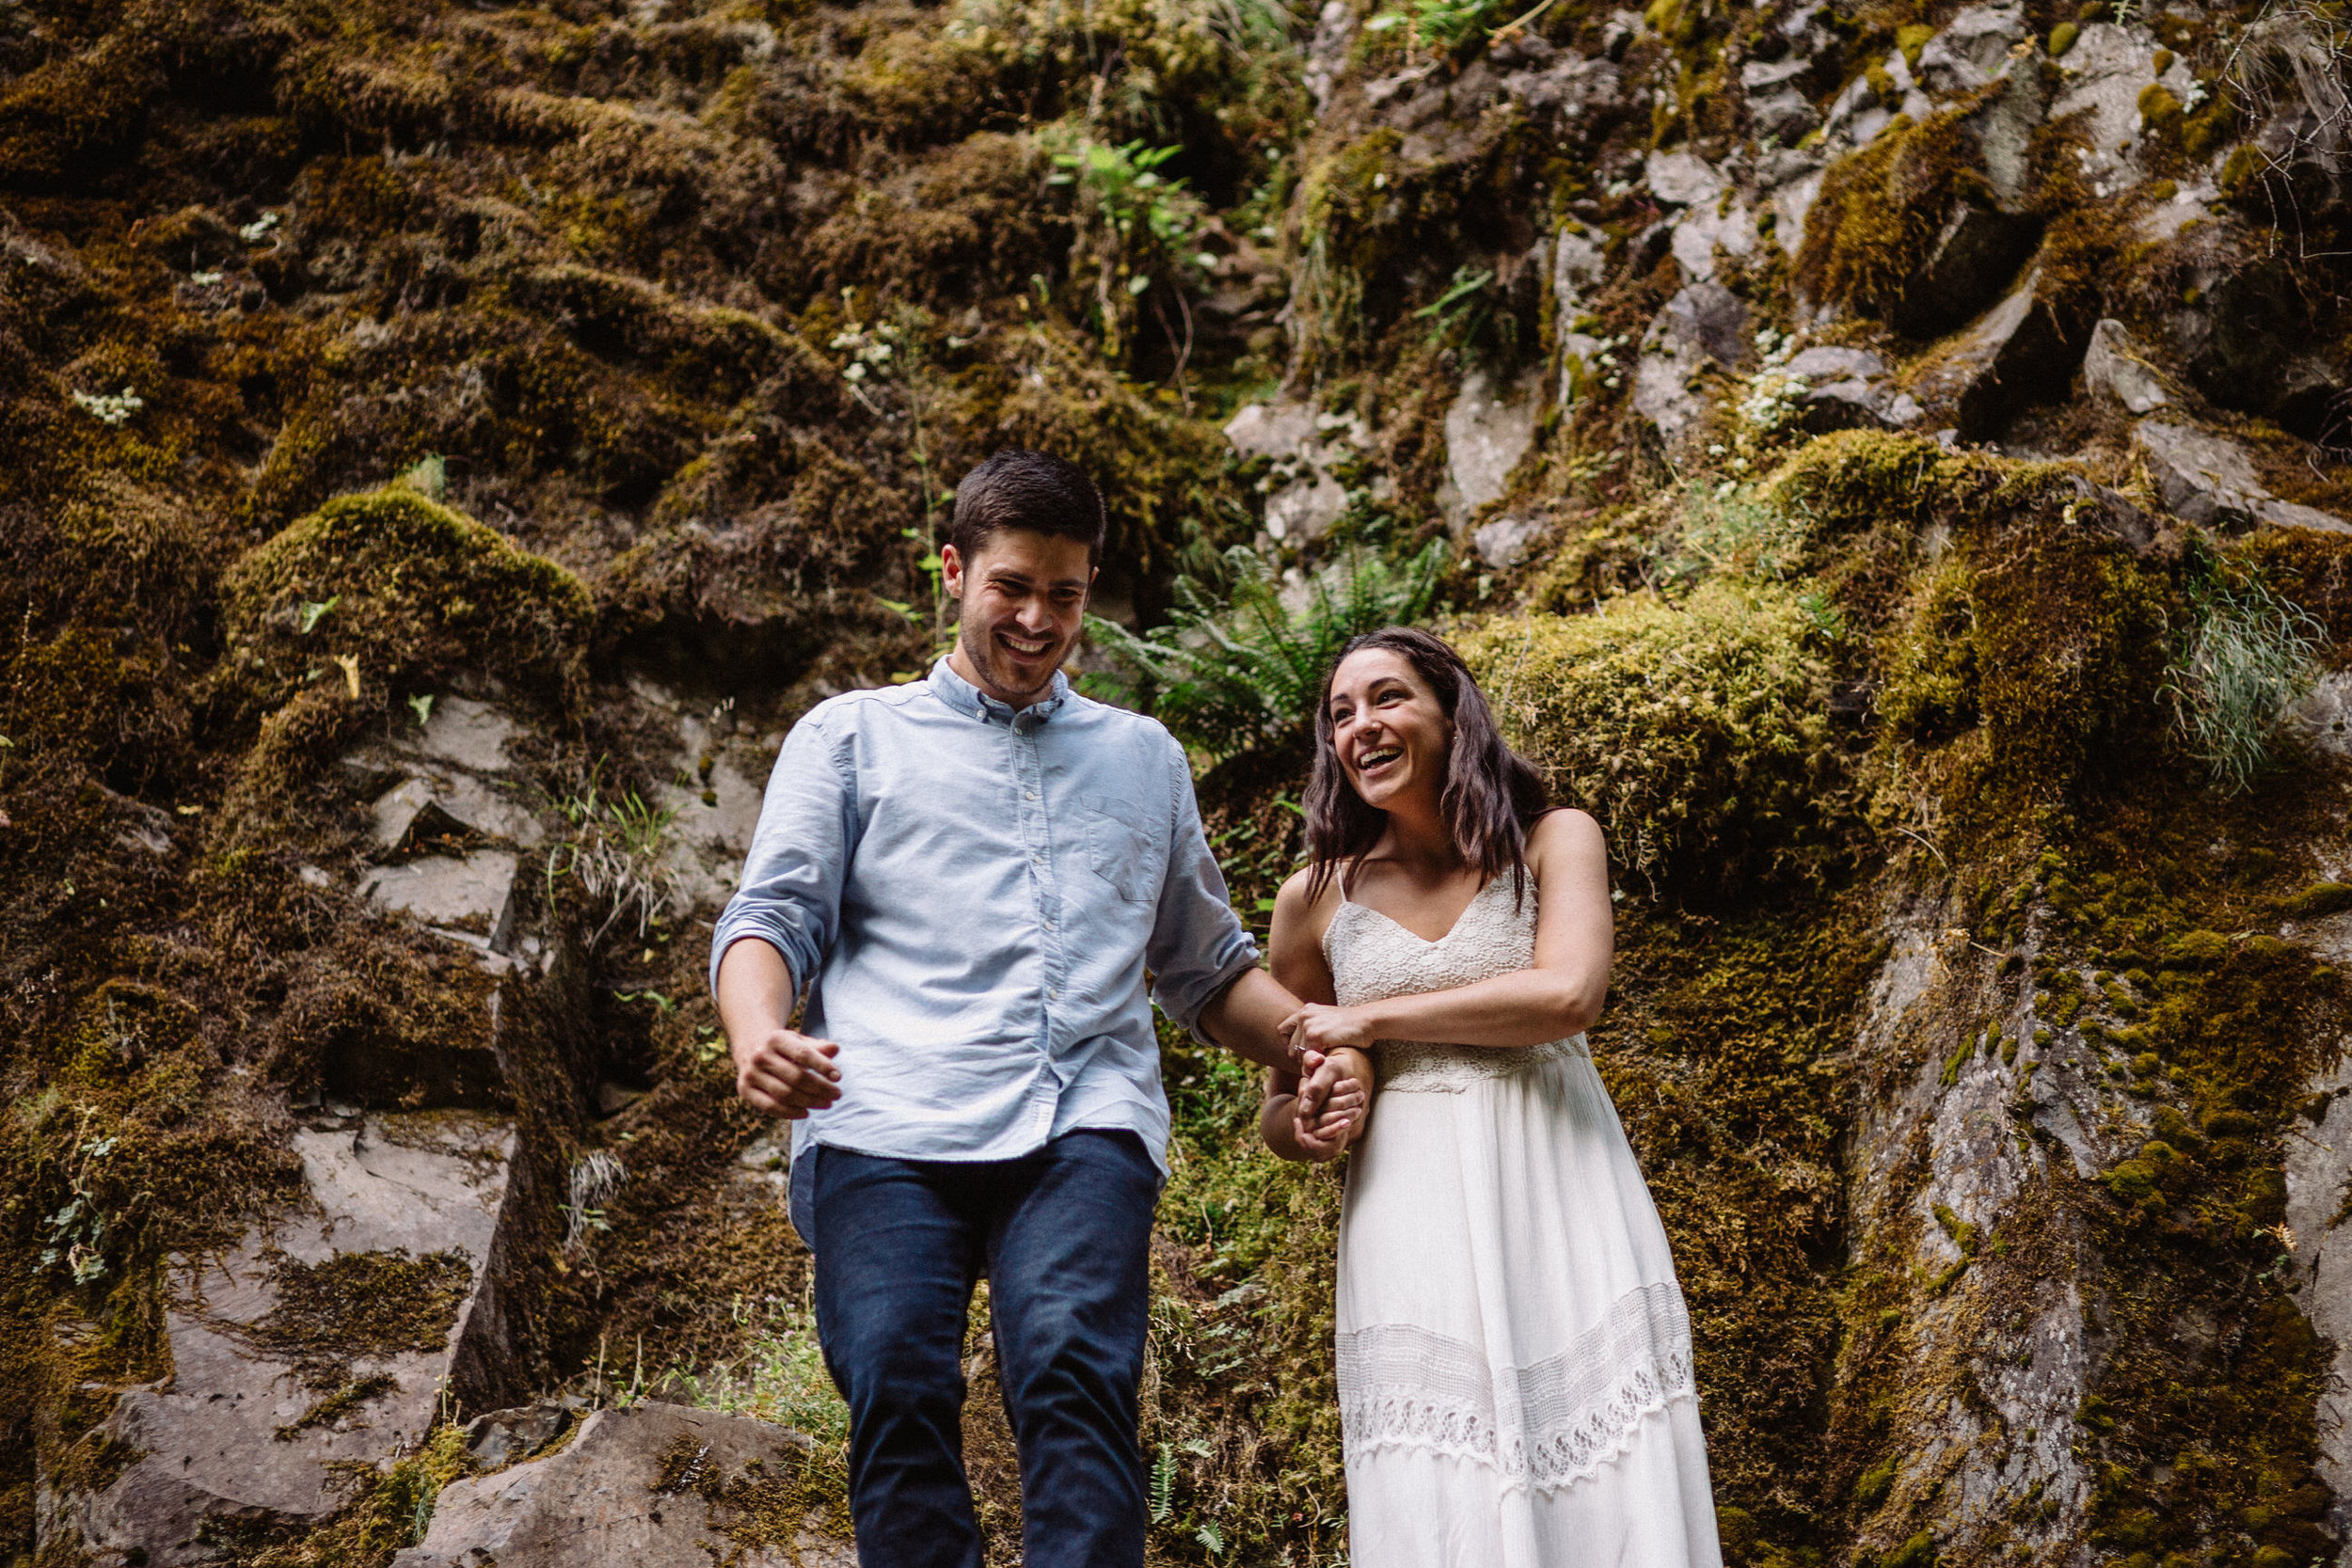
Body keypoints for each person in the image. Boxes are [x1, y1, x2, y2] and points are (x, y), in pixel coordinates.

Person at [709, 449, 1363, 1568]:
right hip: (884, 1116)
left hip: (1081, 1119)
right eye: (1011, 585)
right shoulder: (849, 737)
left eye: (1064, 593)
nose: (1036, 617)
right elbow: (770, 916)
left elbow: (1204, 969)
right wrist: (757, 1032)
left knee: (1072, 1363)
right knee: (897, 1381)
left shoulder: (1142, 758)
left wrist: (1314, 1039)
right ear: (955, 570)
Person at [1263, 626, 1723, 1568]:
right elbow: (1283, 1098)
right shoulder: (1310, 898)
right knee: (1440, 1467)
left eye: (1387, 697)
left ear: (1450, 709)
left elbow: (1566, 996)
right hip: (1408, 1200)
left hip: (1556, 1169)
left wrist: (1367, 1022)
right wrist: (1310, 1120)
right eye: (1340, 714)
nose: (1361, 726)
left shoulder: (1556, 838)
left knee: (1604, 1447)